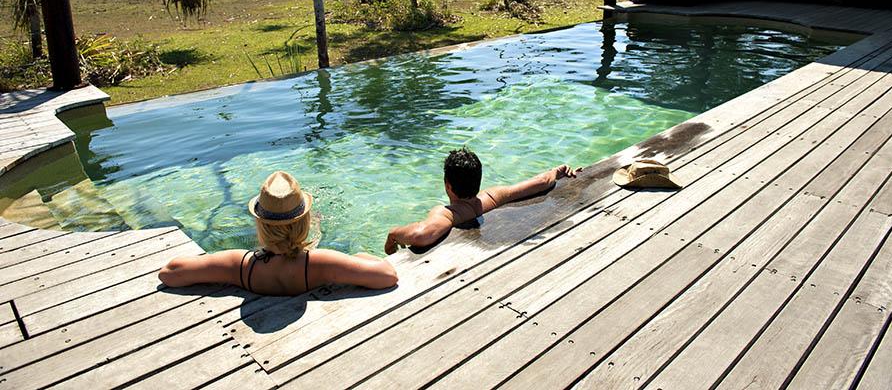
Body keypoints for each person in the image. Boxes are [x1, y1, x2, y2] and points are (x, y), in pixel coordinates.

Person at [158, 171, 398, 295]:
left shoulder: (238, 265)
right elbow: (387, 275)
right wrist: (357, 258)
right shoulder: (322, 262)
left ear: (260, 224)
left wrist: (214, 264)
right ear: (305, 222)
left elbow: (169, 273)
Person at [384, 148, 579, 254]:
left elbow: (421, 235)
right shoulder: (493, 196)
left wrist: (393, 235)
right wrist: (556, 171)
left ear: (448, 185)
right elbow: (541, 182)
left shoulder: (447, 213)